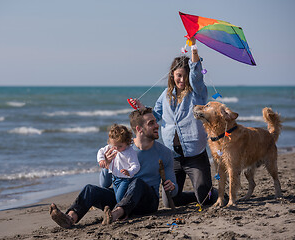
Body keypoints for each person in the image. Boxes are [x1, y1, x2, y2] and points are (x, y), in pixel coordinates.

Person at [50, 107, 178, 228]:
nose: (157, 125)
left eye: (155, 122)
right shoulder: (121, 147)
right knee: (90, 189)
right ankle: (70, 218)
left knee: (137, 182)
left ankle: (115, 214)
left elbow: (174, 190)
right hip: (121, 195)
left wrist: (171, 186)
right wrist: (107, 165)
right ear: (139, 129)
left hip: (147, 202)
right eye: (151, 123)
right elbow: (105, 184)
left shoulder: (164, 152)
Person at [132, 38, 216, 207]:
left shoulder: (197, 93)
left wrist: (193, 49)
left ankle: (209, 193)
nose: (182, 80)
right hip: (173, 156)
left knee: (205, 201)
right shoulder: (165, 95)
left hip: (195, 155)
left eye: (185, 76)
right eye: (179, 75)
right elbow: (155, 115)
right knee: (170, 201)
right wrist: (141, 108)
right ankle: (196, 196)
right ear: (172, 75)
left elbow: (197, 74)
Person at [97, 124, 140, 203]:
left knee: (120, 197)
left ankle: (123, 212)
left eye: (120, 146)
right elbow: (101, 151)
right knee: (117, 197)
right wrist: (101, 160)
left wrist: (129, 171)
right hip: (114, 178)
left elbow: (136, 166)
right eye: (114, 145)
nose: (116, 148)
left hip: (125, 179)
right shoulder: (111, 147)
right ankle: (121, 210)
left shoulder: (130, 152)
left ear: (127, 142)